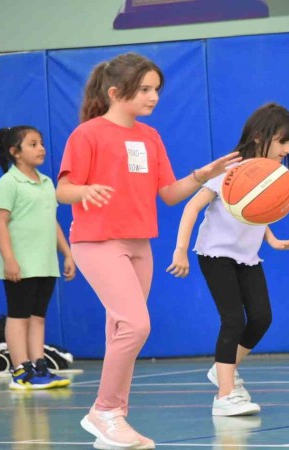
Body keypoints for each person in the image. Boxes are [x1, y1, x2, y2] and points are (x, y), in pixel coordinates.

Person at [56, 52, 240, 450]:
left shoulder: (149, 137)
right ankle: (104, 411)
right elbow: (62, 189)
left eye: (156, 89)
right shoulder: (87, 134)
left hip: (140, 244)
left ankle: (113, 421)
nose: (153, 96)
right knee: (137, 325)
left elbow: (169, 194)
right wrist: (84, 191)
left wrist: (202, 176)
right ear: (115, 91)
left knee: (119, 330)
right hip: (97, 242)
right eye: (144, 89)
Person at [167, 103, 289, 416]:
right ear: (260, 137)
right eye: (283, 141)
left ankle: (222, 369)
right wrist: (180, 249)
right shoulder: (231, 171)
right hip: (215, 254)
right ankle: (224, 395)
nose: (287, 149)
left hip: (247, 256)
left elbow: (258, 211)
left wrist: (273, 240)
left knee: (261, 318)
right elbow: (191, 208)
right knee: (233, 319)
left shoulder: (273, 175)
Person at [0, 125, 76, 390]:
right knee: (19, 316)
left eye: (41, 143)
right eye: (33, 144)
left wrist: (67, 253)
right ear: (15, 152)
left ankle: (39, 365)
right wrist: (9, 259)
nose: (41, 149)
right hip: (20, 263)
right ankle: (20, 369)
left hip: (45, 262)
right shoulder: (7, 183)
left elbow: (51, 221)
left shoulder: (47, 182)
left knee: (38, 316)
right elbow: (0, 223)